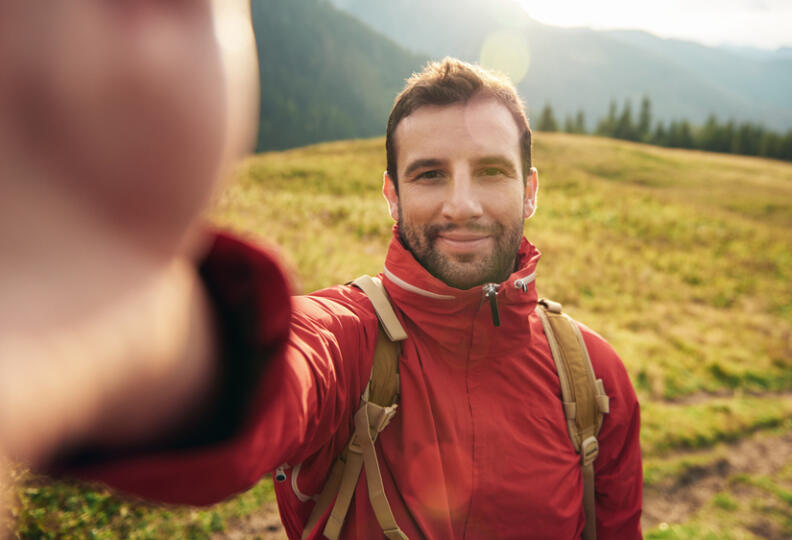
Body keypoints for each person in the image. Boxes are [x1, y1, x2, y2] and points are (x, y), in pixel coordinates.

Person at [0, 2, 642, 538]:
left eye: (492, 171)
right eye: (430, 173)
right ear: (391, 196)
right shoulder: (348, 340)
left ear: (531, 190)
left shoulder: (592, 379)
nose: (462, 203)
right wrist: (104, 323)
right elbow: (278, 387)